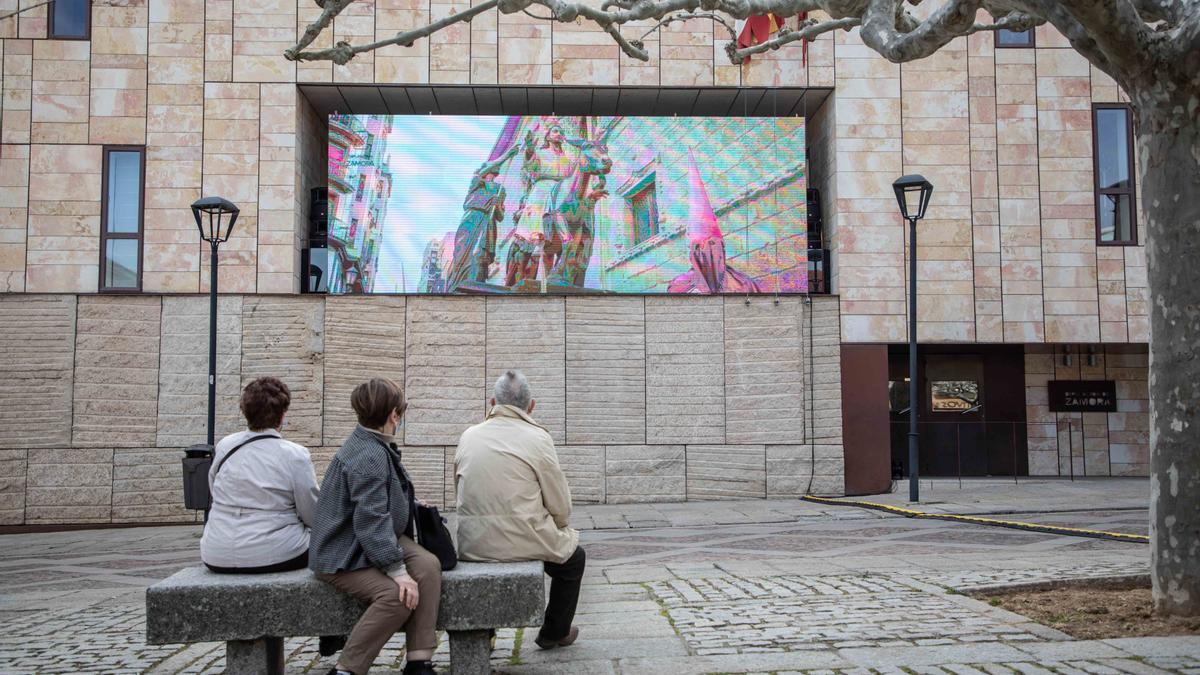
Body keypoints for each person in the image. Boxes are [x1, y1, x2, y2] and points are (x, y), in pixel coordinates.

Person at [309, 378, 441, 675]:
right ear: (394, 415)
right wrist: (397, 571)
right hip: (342, 552)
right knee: (396, 597)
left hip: (365, 540)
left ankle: (419, 661)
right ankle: (346, 669)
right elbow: (370, 521)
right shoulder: (368, 455)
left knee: (429, 566)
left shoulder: (370, 443)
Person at [454, 370, 584, 650]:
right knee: (574, 560)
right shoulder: (538, 438)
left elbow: (460, 491)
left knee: (491, 554)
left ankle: (484, 633)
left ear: (492, 402)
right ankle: (554, 632)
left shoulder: (468, 436)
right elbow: (560, 505)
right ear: (531, 406)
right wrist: (560, 526)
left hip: (473, 543)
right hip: (525, 538)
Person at [200, 376, 318, 574]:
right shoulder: (295, 455)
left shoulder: (225, 446)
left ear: (245, 412)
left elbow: (214, 489)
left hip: (215, 551)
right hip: (275, 552)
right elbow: (312, 513)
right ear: (282, 416)